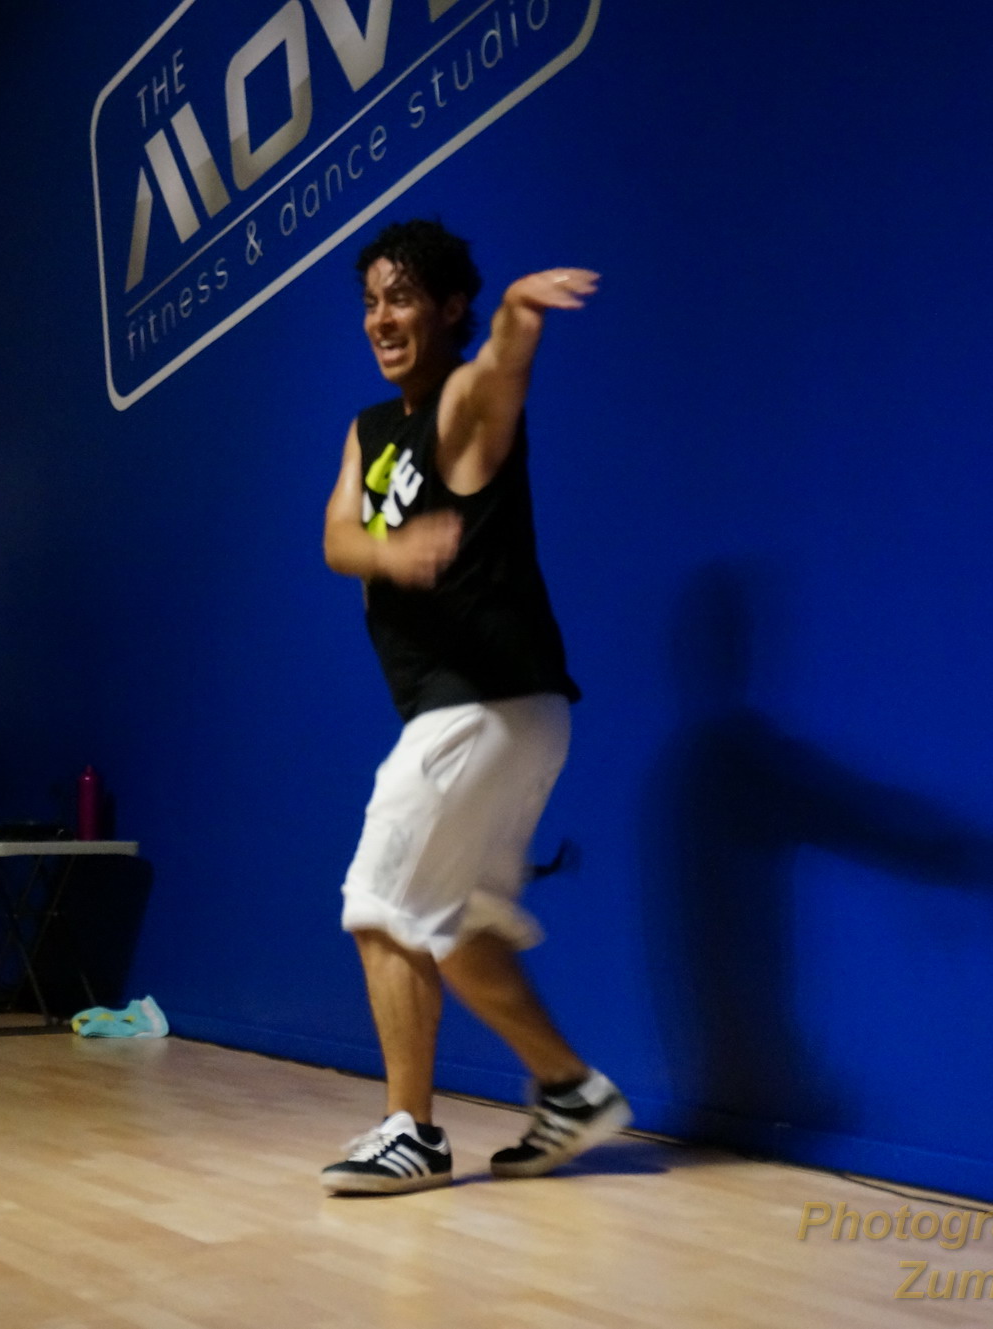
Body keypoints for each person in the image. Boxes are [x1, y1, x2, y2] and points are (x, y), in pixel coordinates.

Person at [318, 220, 629, 1194]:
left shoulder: (457, 401)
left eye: (401, 298)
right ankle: (569, 1089)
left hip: (478, 704)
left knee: (382, 904)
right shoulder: (370, 430)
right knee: (455, 926)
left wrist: (520, 321)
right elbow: (337, 537)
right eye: (371, 301)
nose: (381, 318)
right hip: (518, 713)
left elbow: (495, 379)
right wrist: (391, 552)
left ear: (451, 307)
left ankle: (409, 1129)